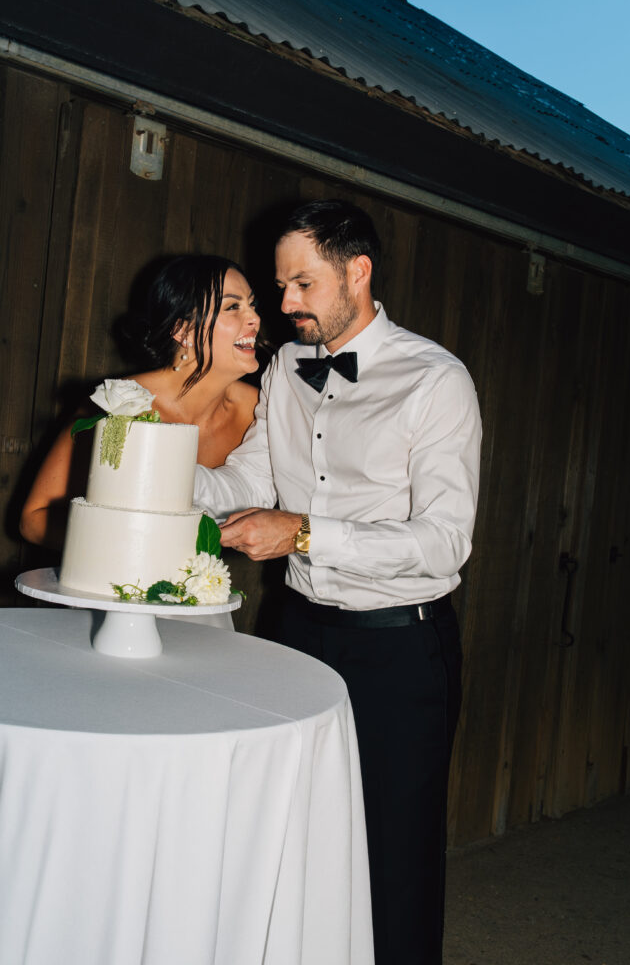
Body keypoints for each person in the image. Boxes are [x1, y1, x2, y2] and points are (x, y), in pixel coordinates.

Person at [192, 200, 482, 964]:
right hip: (293, 635)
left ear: (358, 272)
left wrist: (310, 533)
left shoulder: (435, 379)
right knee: (288, 834)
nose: (283, 305)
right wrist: (167, 477)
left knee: (392, 856)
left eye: (301, 284)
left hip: (400, 650)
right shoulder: (287, 365)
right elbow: (254, 474)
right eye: (279, 285)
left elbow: (444, 540)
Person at [20, 255, 261, 553]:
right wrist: (128, 546)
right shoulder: (119, 406)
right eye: (233, 307)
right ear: (183, 331)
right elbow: (34, 518)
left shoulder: (258, 410)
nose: (255, 319)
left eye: (253, 305)